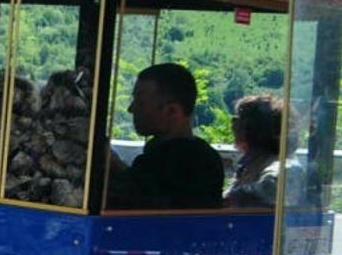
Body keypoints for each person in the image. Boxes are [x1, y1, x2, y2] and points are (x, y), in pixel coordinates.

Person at [107, 63, 223, 210]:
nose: (131, 109)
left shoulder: (169, 164)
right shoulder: (206, 158)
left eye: (140, 102)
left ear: (172, 111)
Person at [224, 93, 288, 207]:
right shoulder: (251, 165)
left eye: (239, 118)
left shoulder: (274, 169)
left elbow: (267, 189)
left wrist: (232, 197)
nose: (233, 123)